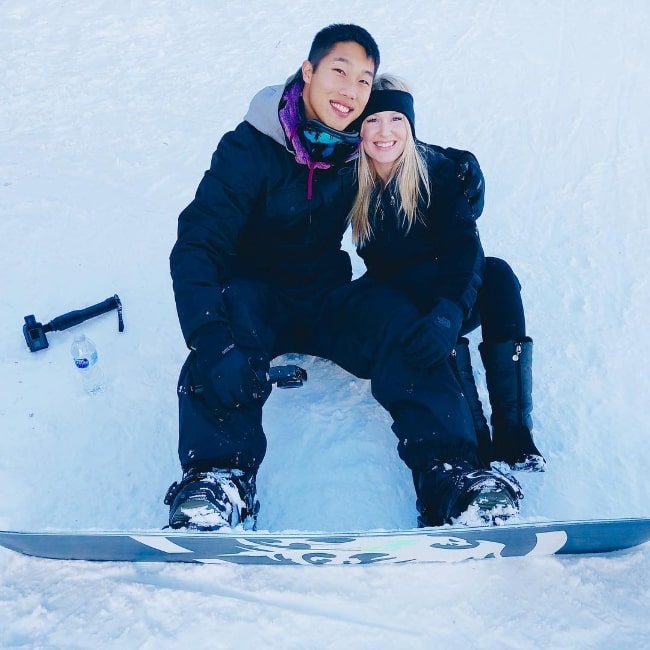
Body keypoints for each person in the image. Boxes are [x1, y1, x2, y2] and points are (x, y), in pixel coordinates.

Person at [165, 24, 515, 532]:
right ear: (308, 72)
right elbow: (198, 242)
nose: (351, 91)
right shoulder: (248, 150)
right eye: (339, 71)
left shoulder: (356, 146)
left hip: (328, 299)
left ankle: (451, 476)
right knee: (228, 321)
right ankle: (217, 482)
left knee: (399, 318)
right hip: (257, 303)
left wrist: (459, 165)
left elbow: (403, 146)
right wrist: (210, 339)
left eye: (364, 80)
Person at [349, 74, 545, 478]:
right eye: (372, 121)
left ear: (410, 125)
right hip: (392, 304)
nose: (385, 132)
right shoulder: (347, 180)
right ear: (358, 130)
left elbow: (463, 247)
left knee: (498, 275)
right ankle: (472, 429)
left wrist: (450, 311)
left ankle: (513, 430)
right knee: (416, 291)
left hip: (443, 295)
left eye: (396, 120)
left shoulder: (437, 172)